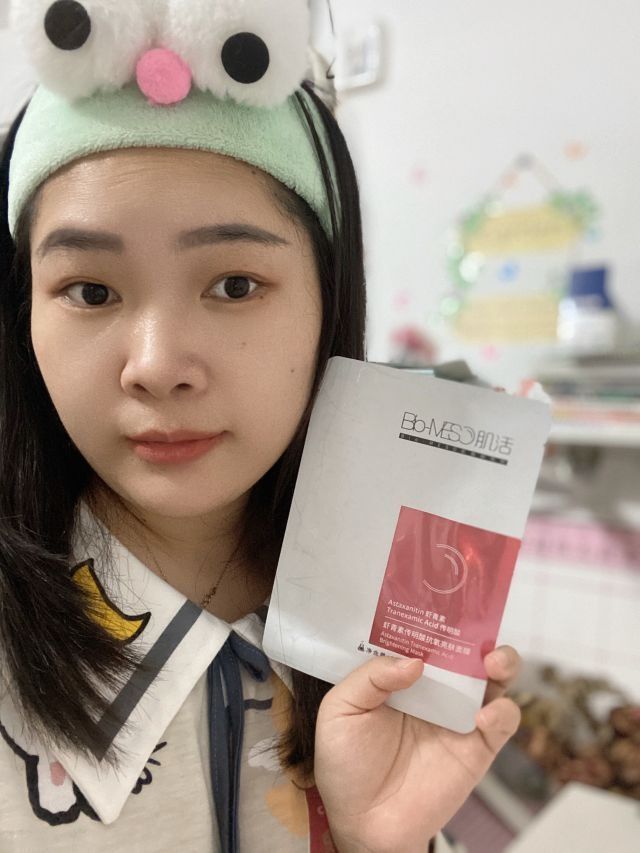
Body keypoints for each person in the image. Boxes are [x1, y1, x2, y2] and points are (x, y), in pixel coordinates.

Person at [0, 3, 522, 851]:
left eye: (235, 285)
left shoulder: (395, 625)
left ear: (328, 301)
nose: (157, 365)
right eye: (90, 291)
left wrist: (372, 843)